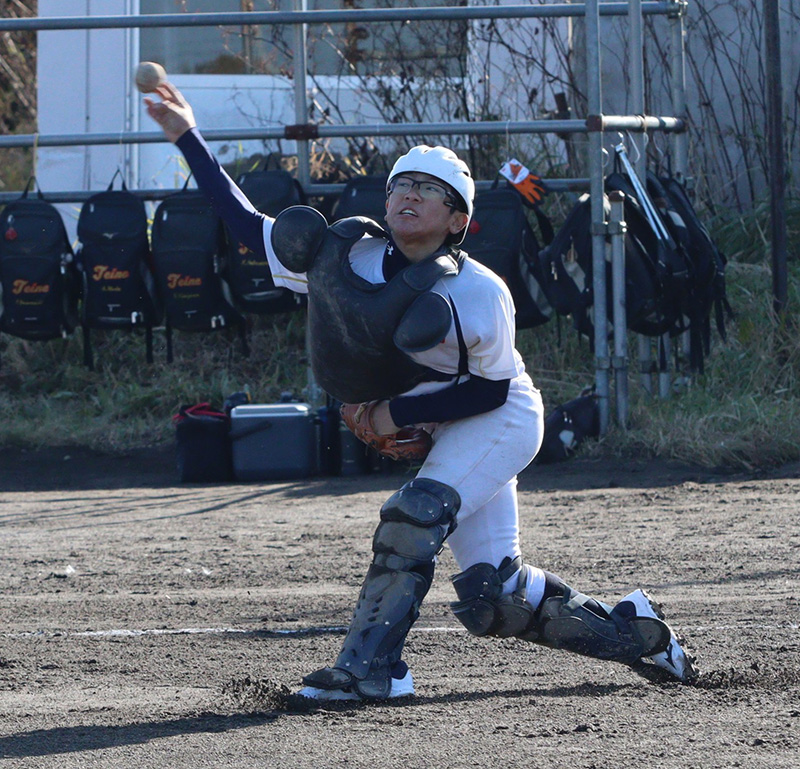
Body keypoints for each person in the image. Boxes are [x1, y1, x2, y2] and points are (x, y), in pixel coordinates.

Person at [146, 82, 698, 702]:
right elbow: (247, 225)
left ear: (459, 220)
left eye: (431, 190)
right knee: (496, 597)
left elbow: (488, 392)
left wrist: (394, 411)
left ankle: (372, 671)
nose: (410, 194)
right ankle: (640, 636)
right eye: (402, 184)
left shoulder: (478, 290)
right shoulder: (348, 258)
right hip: (443, 421)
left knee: (413, 516)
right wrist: (186, 136)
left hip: (500, 416)